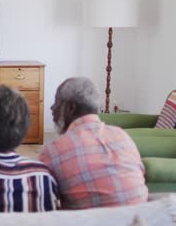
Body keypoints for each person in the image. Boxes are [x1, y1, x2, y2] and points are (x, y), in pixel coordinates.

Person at [39, 77, 148, 210]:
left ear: (71, 107)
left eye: (56, 102)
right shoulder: (122, 136)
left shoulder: (53, 151)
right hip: (142, 219)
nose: (52, 108)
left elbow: (44, 202)